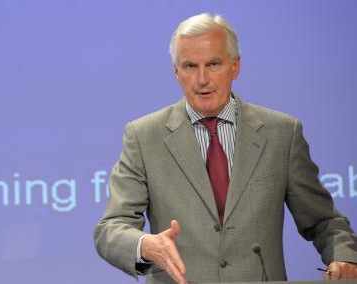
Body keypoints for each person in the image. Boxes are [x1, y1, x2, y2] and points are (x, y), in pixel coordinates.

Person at [94, 13, 357, 283]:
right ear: (176, 72)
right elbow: (111, 228)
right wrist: (145, 245)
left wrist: (345, 257)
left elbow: (324, 221)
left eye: (213, 64)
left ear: (235, 66)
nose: (202, 79)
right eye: (189, 66)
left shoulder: (282, 133)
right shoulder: (144, 136)